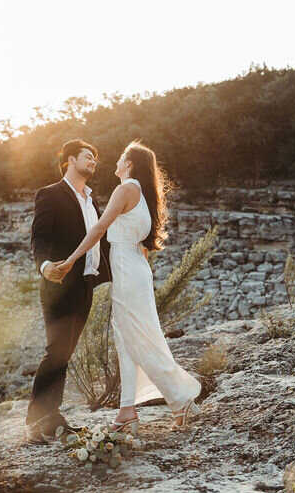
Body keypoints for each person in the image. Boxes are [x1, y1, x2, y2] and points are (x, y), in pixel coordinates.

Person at [56, 141, 200, 433]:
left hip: (127, 268)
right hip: (136, 269)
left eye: (121, 157)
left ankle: (180, 397)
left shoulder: (125, 190)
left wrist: (71, 259)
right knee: (128, 337)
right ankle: (127, 410)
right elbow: (143, 248)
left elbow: (98, 229)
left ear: (130, 164)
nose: (116, 162)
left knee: (137, 339)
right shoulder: (145, 196)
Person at [25, 139, 111, 445]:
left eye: (96, 159)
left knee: (65, 353)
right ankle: (35, 422)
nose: (94, 162)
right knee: (56, 351)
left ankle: (52, 418)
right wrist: (45, 265)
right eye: (89, 156)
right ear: (70, 159)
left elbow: (102, 241)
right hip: (59, 284)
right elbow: (39, 237)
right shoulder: (50, 194)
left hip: (86, 285)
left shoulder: (92, 200)